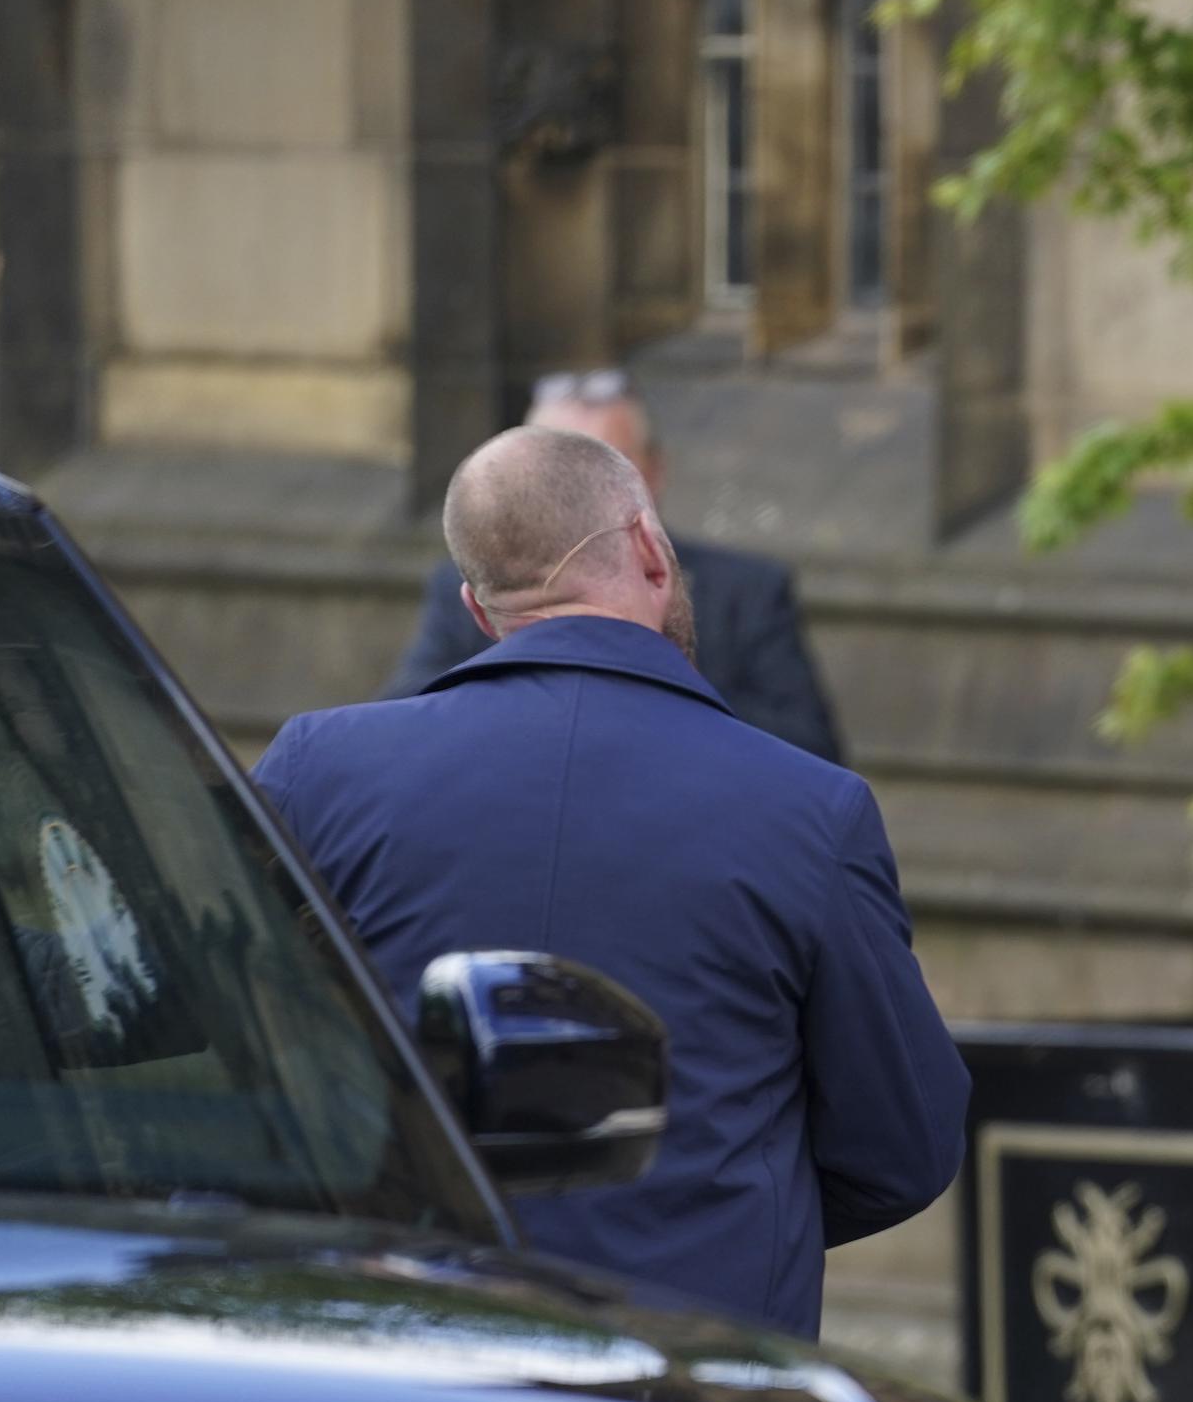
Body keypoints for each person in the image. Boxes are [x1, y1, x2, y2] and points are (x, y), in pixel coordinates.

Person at [254, 426, 968, 1337]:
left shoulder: (320, 770)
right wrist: (725, 1219)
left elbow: (212, 1039)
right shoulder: (809, 810)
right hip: (695, 1385)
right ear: (648, 547)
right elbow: (903, 1144)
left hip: (404, 1363)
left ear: (480, 608)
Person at [385, 369, 846, 764]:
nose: (573, 501)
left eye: (602, 469)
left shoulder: (746, 590)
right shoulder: (472, 585)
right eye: (547, 480)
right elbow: (402, 720)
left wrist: (651, 676)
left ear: (653, 473)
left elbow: (812, 750)